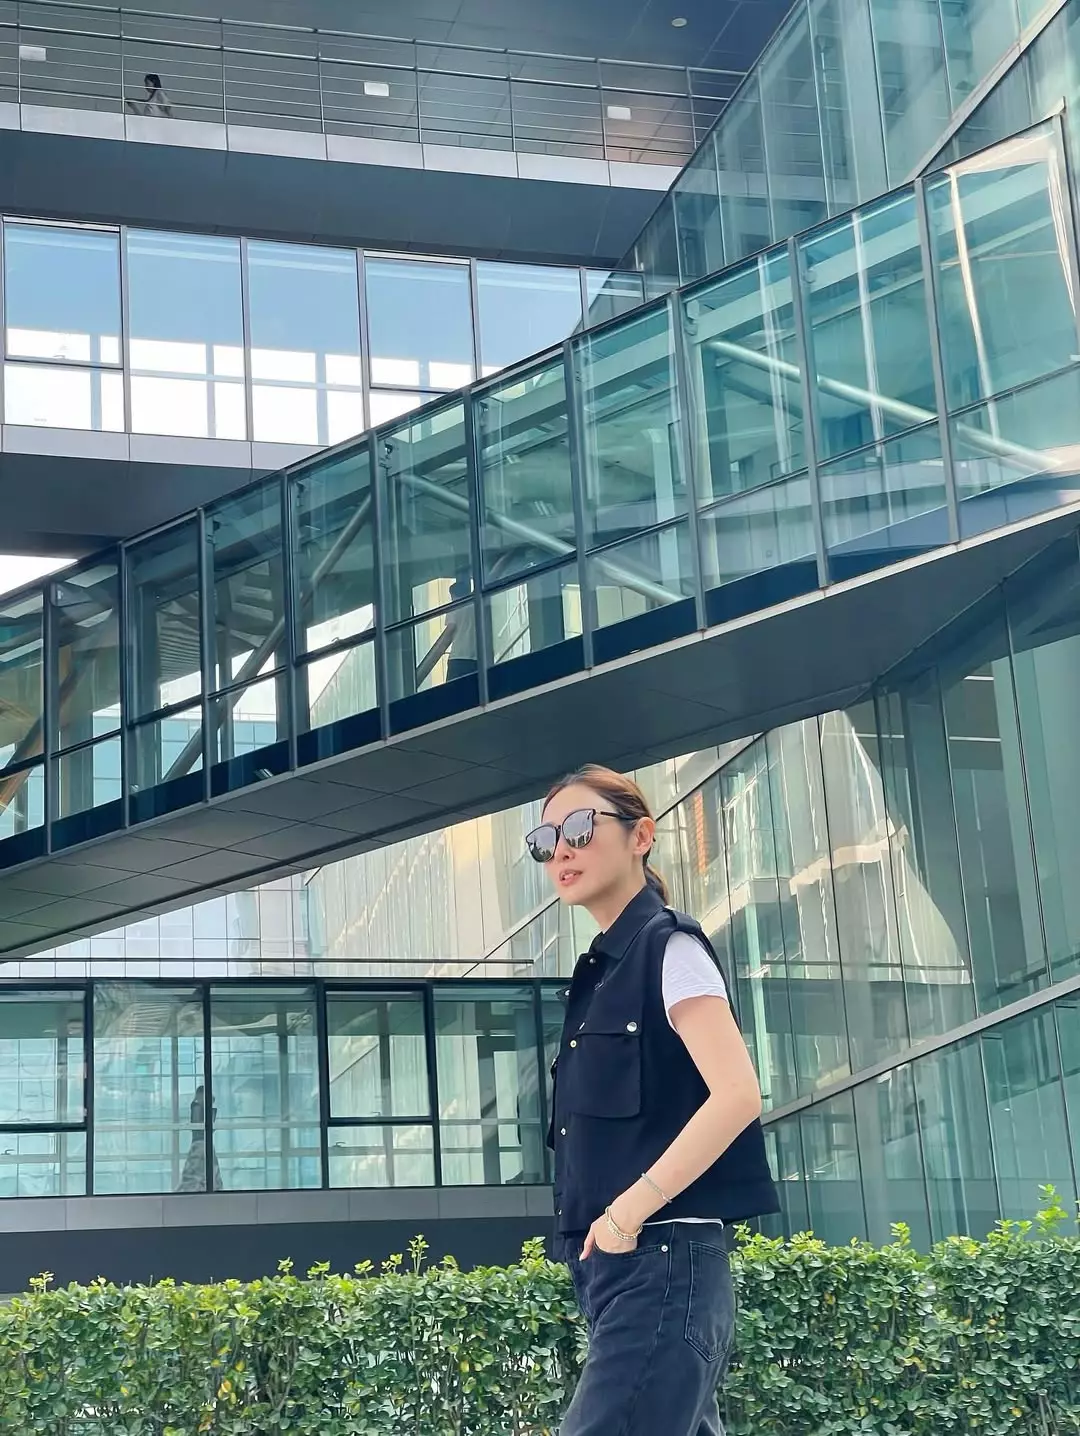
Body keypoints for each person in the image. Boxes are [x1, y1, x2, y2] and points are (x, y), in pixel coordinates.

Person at [534, 764, 779, 1436]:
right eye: (545, 840)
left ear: (640, 836)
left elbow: (737, 1094)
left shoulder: (669, 948)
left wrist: (627, 1213)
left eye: (579, 828)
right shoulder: (600, 976)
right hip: (623, 1273)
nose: (560, 851)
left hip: (662, 1259)